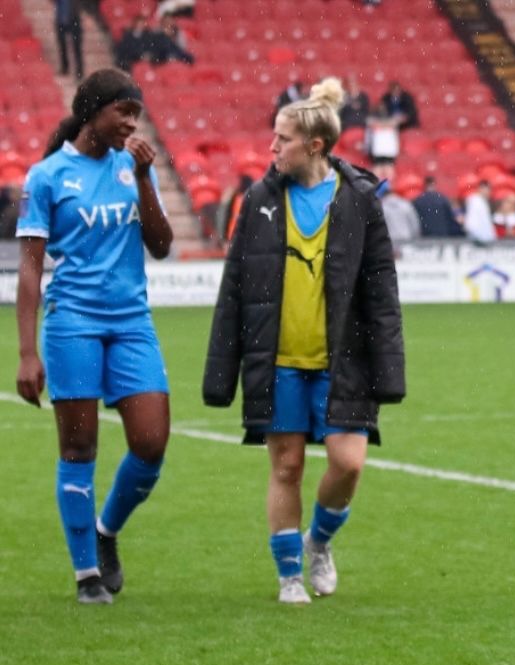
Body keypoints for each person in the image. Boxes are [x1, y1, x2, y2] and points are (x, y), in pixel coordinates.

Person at [202, 77, 406, 605]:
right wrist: (220, 374)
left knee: (349, 463)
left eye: (283, 140)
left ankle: (319, 542)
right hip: (278, 361)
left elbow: (381, 292)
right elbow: (234, 291)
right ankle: (289, 575)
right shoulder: (259, 201)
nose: (272, 149)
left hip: (345, 362)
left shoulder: (360, 200)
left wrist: (389, 371)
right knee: (287, 466)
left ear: (314, 146)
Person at [14, 68, 174, 604]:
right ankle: (86, 574)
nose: (131, 123)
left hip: (131, 321)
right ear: (91, 112)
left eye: (136, 113)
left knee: (151, 443)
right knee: (79, 446)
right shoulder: (47, 177)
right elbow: (32, 271)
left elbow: (162, 244)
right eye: (122, 112)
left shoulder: (133, 169)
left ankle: (107, 531)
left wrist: (147, 179)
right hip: (73, 322)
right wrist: (26, 352)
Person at [376, 179, 421, 247]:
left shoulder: (381, 208)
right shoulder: (405, 204)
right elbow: (415, 226)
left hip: (390, 244)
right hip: (407, 241)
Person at [54, 0, 84, 80]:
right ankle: (65, 66)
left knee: (76, 46)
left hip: (73, 18)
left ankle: (79, 70)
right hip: (61, 19)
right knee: (62, 44)